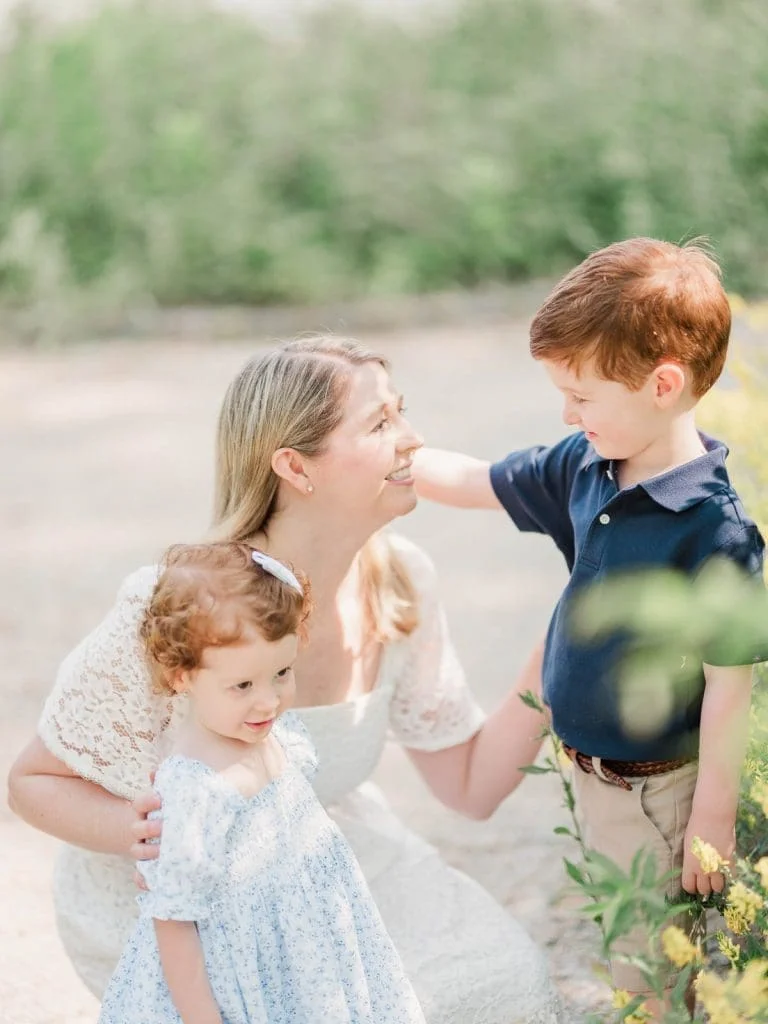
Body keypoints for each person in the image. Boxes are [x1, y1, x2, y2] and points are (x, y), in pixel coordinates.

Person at [8, 336, 562, 1024]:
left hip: (310, 859)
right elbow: (32, 783)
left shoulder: (402, 581)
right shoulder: (184, 606)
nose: (413, 440)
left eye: (403, 414)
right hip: (174, 893)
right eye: (381, 423)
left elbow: (471, 785)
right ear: (296, 467)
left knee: (503, 983)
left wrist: (563, 644)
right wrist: (155, 832)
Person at [412, 238, 767, 1017]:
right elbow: (478, 481)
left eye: (581, 393)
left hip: (659, 793)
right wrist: (394, 461)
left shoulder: (715, 531)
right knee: (624, 932)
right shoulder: (587, 462)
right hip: (591, 775)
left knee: (649, 966)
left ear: (663, 384)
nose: (566, 413)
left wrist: (711, 812)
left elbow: (727, 685)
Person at [98, 540, 425, 1024]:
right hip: (240, 974)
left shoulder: (278, 738)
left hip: (307, 955)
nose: (269, 701)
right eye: (243, 685)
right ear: (182, 676)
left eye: (282, 673)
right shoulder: (196, 787)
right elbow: (173, 922)